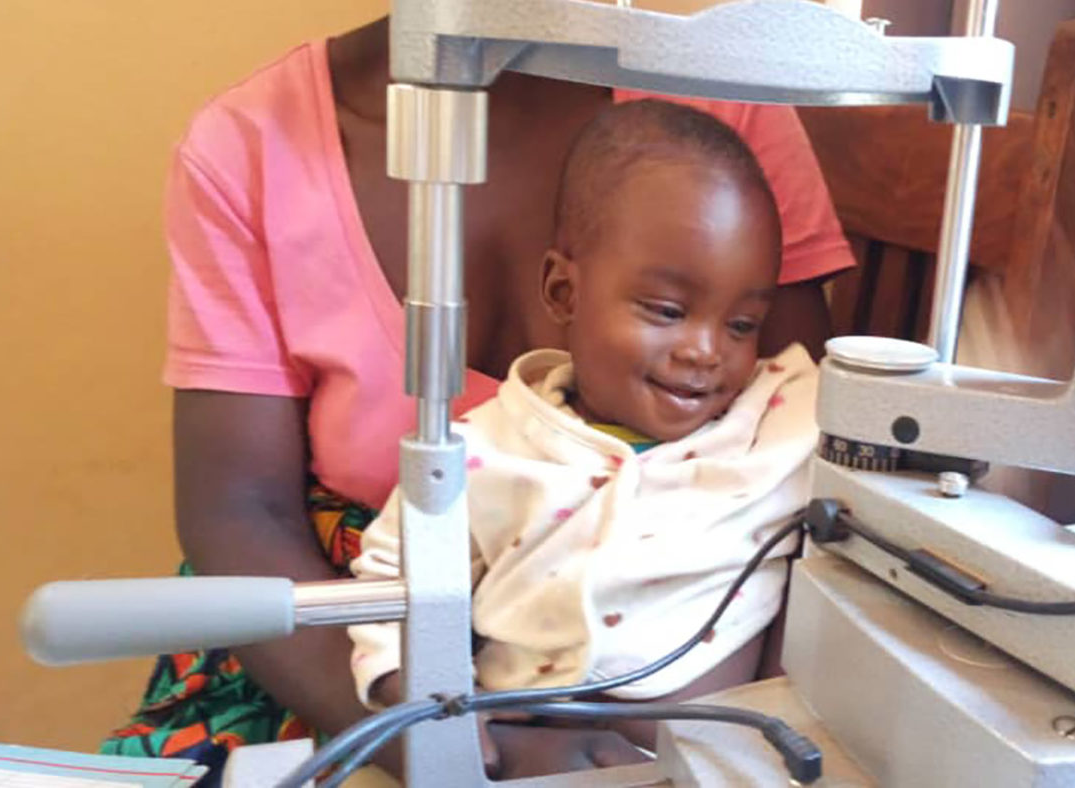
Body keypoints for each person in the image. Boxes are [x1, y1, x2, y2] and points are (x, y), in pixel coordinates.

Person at [102, 15, 852, 782]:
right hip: (343, 639)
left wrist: (730, 716)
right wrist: (433, 739)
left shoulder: (725, 107)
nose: (701, 347)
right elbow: (238, 513)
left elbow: (802, 459)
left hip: (674, 667)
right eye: (667, 311)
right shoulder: (250, 145)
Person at [348, 101, 818, 757]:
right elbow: (394, 579)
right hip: (524, 739)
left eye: (741, 325)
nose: (707, 350)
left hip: (721, 759)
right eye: (667, 310)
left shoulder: (778, 418)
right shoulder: (485, 449)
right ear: (564, 293)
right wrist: (433, 710)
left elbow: (897, 416)